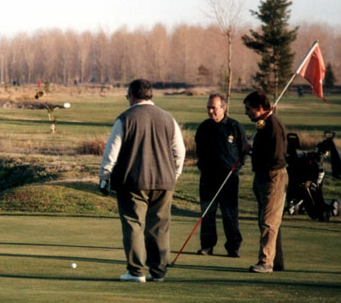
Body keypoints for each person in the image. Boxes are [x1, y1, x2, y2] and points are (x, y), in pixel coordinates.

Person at [99, 79, 185, 283]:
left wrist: (104, 177)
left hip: (133, 182)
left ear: (132, 95)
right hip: (164, 181)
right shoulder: (168, 118)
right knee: (159, 226)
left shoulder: (125, 118)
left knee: (134, 225)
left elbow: (111, 152)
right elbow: (179, 151)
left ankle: (137, 271)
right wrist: (175, 175)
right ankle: (159, 271)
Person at [195, 94, 247, 258]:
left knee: (229, 213)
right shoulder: (204, 127)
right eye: (208, 108)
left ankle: (233, 247)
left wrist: (236, 168)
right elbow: (199, 151)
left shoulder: (234, 126)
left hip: (229, 178)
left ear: (223, 108)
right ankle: (207, 245)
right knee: (207, 212)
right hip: (208, 178)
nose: (210, 111)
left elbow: (243, 151)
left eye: (214, 108)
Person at [243, 91, 288, 273]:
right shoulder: (264, 124)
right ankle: (276, 261)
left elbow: (276, 156)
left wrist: (255, 153)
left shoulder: (273, 125)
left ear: (260, 108)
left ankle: (266, 262)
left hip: (273, 176)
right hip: (263, 176)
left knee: (269, 221)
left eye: (249, 109)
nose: (246, 113)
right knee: (265, 220)